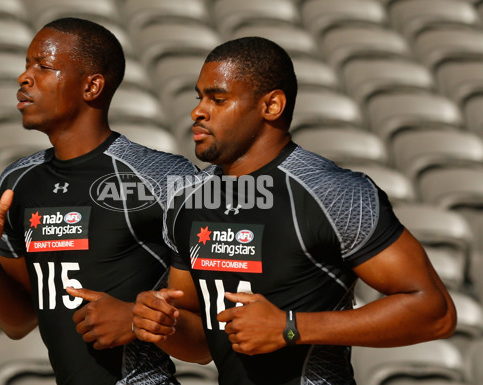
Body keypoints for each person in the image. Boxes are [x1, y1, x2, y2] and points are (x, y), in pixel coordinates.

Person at [132, 36, 457, 384]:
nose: (198, 111)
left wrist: (290, 327)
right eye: (200, 98)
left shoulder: (332, 192)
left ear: (271, 106)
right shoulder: (189, 199)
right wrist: (165, 324)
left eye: (218, 99)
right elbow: (201, 346)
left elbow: (434, 312)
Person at [0, 17, 197, 385]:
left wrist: (137, 320)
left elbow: (209, 343)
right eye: (26, 65)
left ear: (91, 86)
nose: (24, 78)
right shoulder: (18, 181)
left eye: (43, 66)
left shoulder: (165, 178)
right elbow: (18, 321)